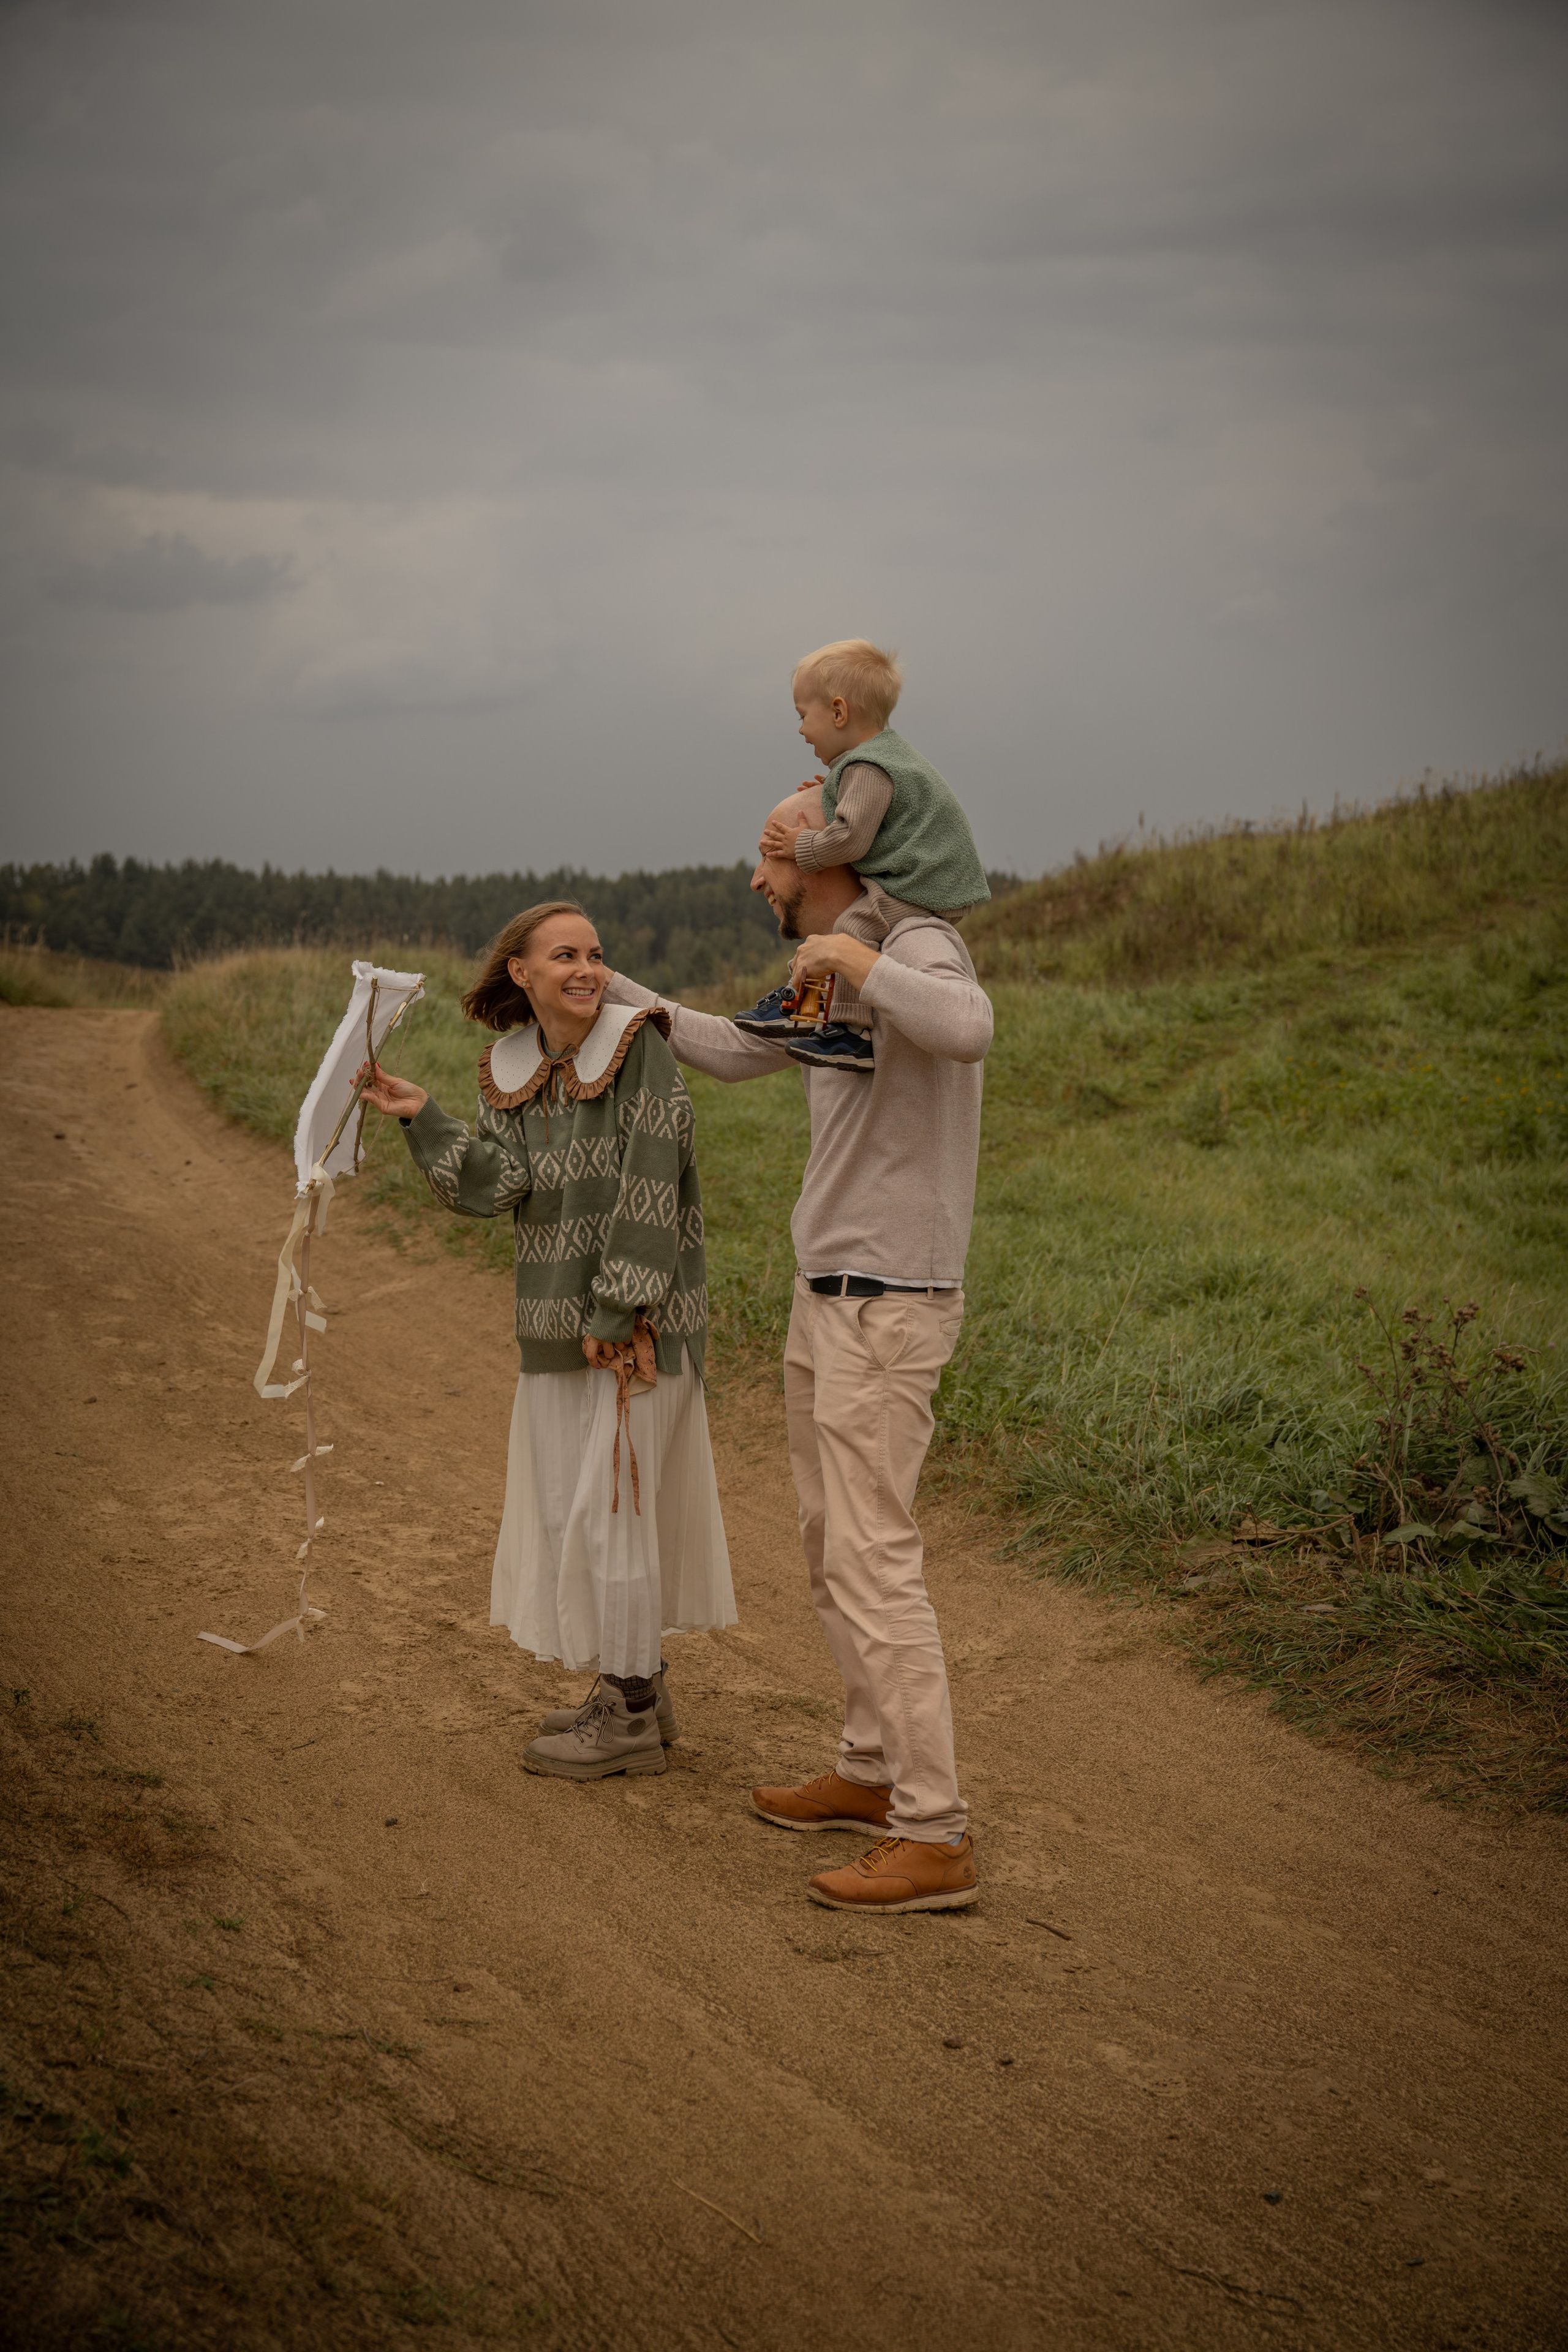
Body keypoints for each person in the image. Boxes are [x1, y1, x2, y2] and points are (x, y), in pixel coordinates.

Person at [604, 793, 992, 1912]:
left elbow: (968, 1027)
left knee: (875, 1561)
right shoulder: (839, 962)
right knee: (833, 1549)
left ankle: (936, 1833)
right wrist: (610, 996)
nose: (757, 881)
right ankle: (874, 1773)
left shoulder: (913, 944)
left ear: (819, 858)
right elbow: (731, 1050)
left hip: (891, 1306)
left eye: (767, 859)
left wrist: (848, 955)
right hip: (827, 1303)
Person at [359, 900, 735, 1781]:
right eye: (564, 955)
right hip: (553, 1326)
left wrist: (617, 1313)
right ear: (520, 972)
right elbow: (498, 1188)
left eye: (597, 955)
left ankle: (633, 1717)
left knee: (617, 1518)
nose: (588, 969)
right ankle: (634, 1686)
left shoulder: (639, 1047)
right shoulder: (512, 1065)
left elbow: (654, 1184)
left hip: (633, 1331)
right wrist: (427, 1119)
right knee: (589, 1512)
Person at [732, 638, 991, 1076]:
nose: (800, 729)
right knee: (846, 931)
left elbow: (851, 840)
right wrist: (834, 789)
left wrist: (802, 847)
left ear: (838, 712)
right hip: (927, 877)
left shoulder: (869, 769)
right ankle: (809, 1012)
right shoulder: (875, 762)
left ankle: (849, 1033)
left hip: (922, 884)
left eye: (802, 715)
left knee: (851, 927)